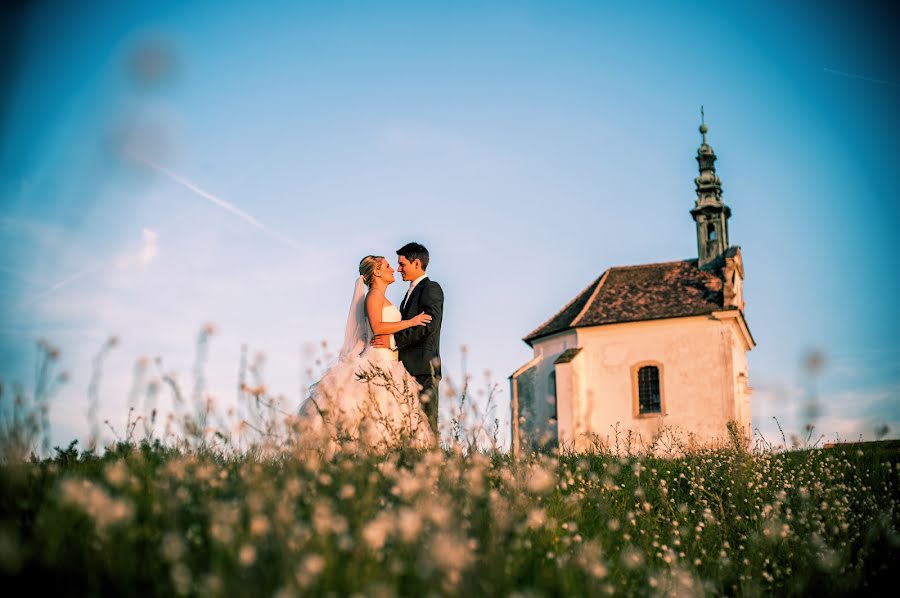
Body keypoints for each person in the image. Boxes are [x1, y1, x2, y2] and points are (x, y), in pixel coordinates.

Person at [298, 255, 435, 450]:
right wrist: (411, 322)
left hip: (390, 359)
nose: (393, 269)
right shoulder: (374, 295)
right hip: (379, 359)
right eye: (388, 266)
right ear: (377, 272)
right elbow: (377, 327)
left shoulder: (380, 296)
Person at [372, 242, 443, 436]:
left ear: (417, 263)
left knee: (427, 427)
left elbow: (429, 325)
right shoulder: (408, 294)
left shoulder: (431, 288)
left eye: (402, 264)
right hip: (404, 369)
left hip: (423, 369)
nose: (398, 269)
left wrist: (393, 342)